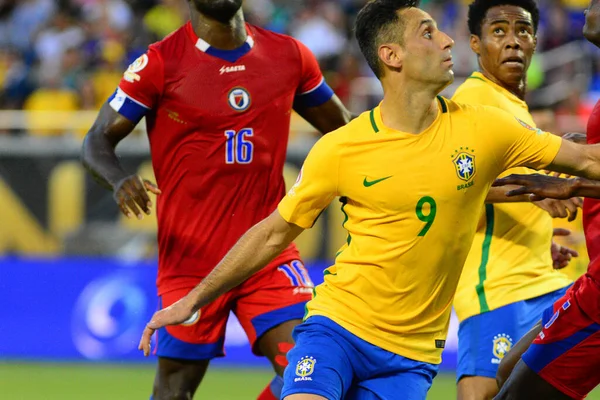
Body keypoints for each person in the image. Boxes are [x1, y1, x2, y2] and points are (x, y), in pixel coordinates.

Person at [137, 1, 600, 399]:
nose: (448, 42)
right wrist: (193, 299)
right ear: (391, 55)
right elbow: (274, 231)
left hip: (410, 356)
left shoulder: (487, 127)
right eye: (429, 33)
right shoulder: (343, 147)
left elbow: (586, 161)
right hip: (337, 328)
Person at [80, 0, 352, 399]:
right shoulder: (159, 62)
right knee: (174, 390)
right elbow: (96, 139)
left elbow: (344, 132)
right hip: (190, 261)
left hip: (267, 251)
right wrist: (119, 180)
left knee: (311, 365)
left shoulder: (289, 55)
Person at [450, 1, 579, 398]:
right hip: (497, 290)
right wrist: (534, 193)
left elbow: (499, 183)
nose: (512, 42)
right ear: (475, 42)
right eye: (499, 31)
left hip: (541, 279)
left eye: (522, 31)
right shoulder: (473, 100)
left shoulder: (515, 108)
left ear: (536, 42)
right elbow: (452, 183)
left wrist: (540, 240)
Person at [491, 2, 600, 398]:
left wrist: (573, 185)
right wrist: (585, 150)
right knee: (507, 371)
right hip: (593, 281)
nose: (588, 6)